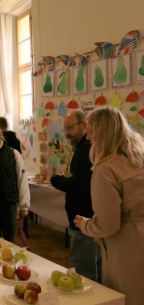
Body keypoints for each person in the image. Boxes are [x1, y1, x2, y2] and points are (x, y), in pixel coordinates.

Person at [74, 107, 144, 305]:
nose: (88, 139)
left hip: (128, 246)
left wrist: (85, 224)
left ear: (103, 133)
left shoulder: (106, 169)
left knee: (125, 297)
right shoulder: (138, 158)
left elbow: (108, 224)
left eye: (90, 132)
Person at [50, 110, 101, 282]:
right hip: (87, 219)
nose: (66, 134)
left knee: (82, 272)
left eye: (70, 128)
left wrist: (56, 180)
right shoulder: (84, 148)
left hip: (84, 219)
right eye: (65, 129)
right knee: (92, 267)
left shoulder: (86, 150)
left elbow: (78, 186)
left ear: (85, 125)